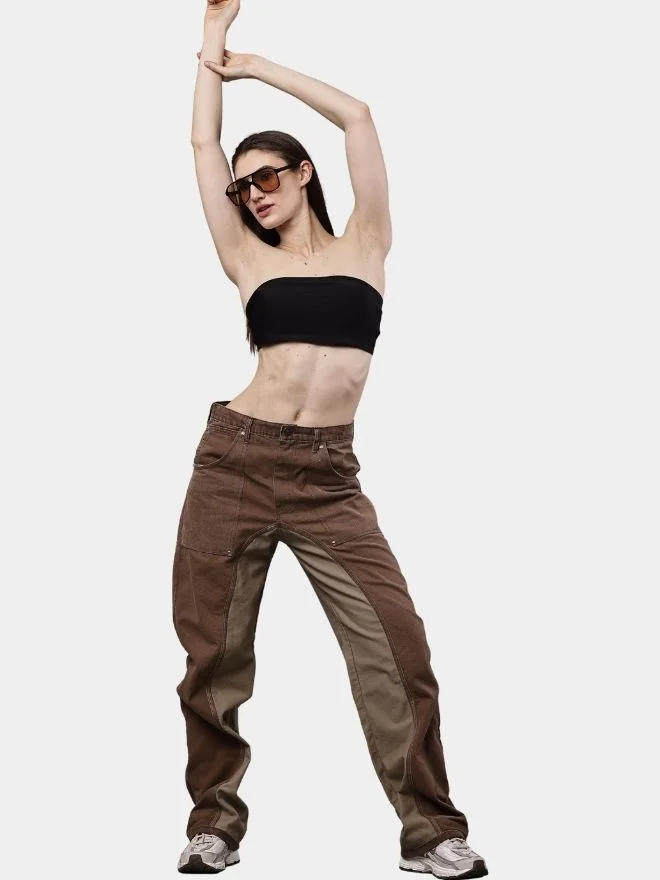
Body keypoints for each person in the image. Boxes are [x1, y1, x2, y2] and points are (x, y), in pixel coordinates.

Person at [173, 2, 488, 877]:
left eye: (267, 176)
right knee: (213, 656)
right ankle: (214, 823)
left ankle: (431, 832)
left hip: (328, 479)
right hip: (235, 462)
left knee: (398, 650)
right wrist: (209, 48)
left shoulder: (368, 242)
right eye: (243, 189)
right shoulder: (248, 259)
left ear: (303, 172)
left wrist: (255, 63)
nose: (252, 193)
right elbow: (201, 145)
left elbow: (357, 115)